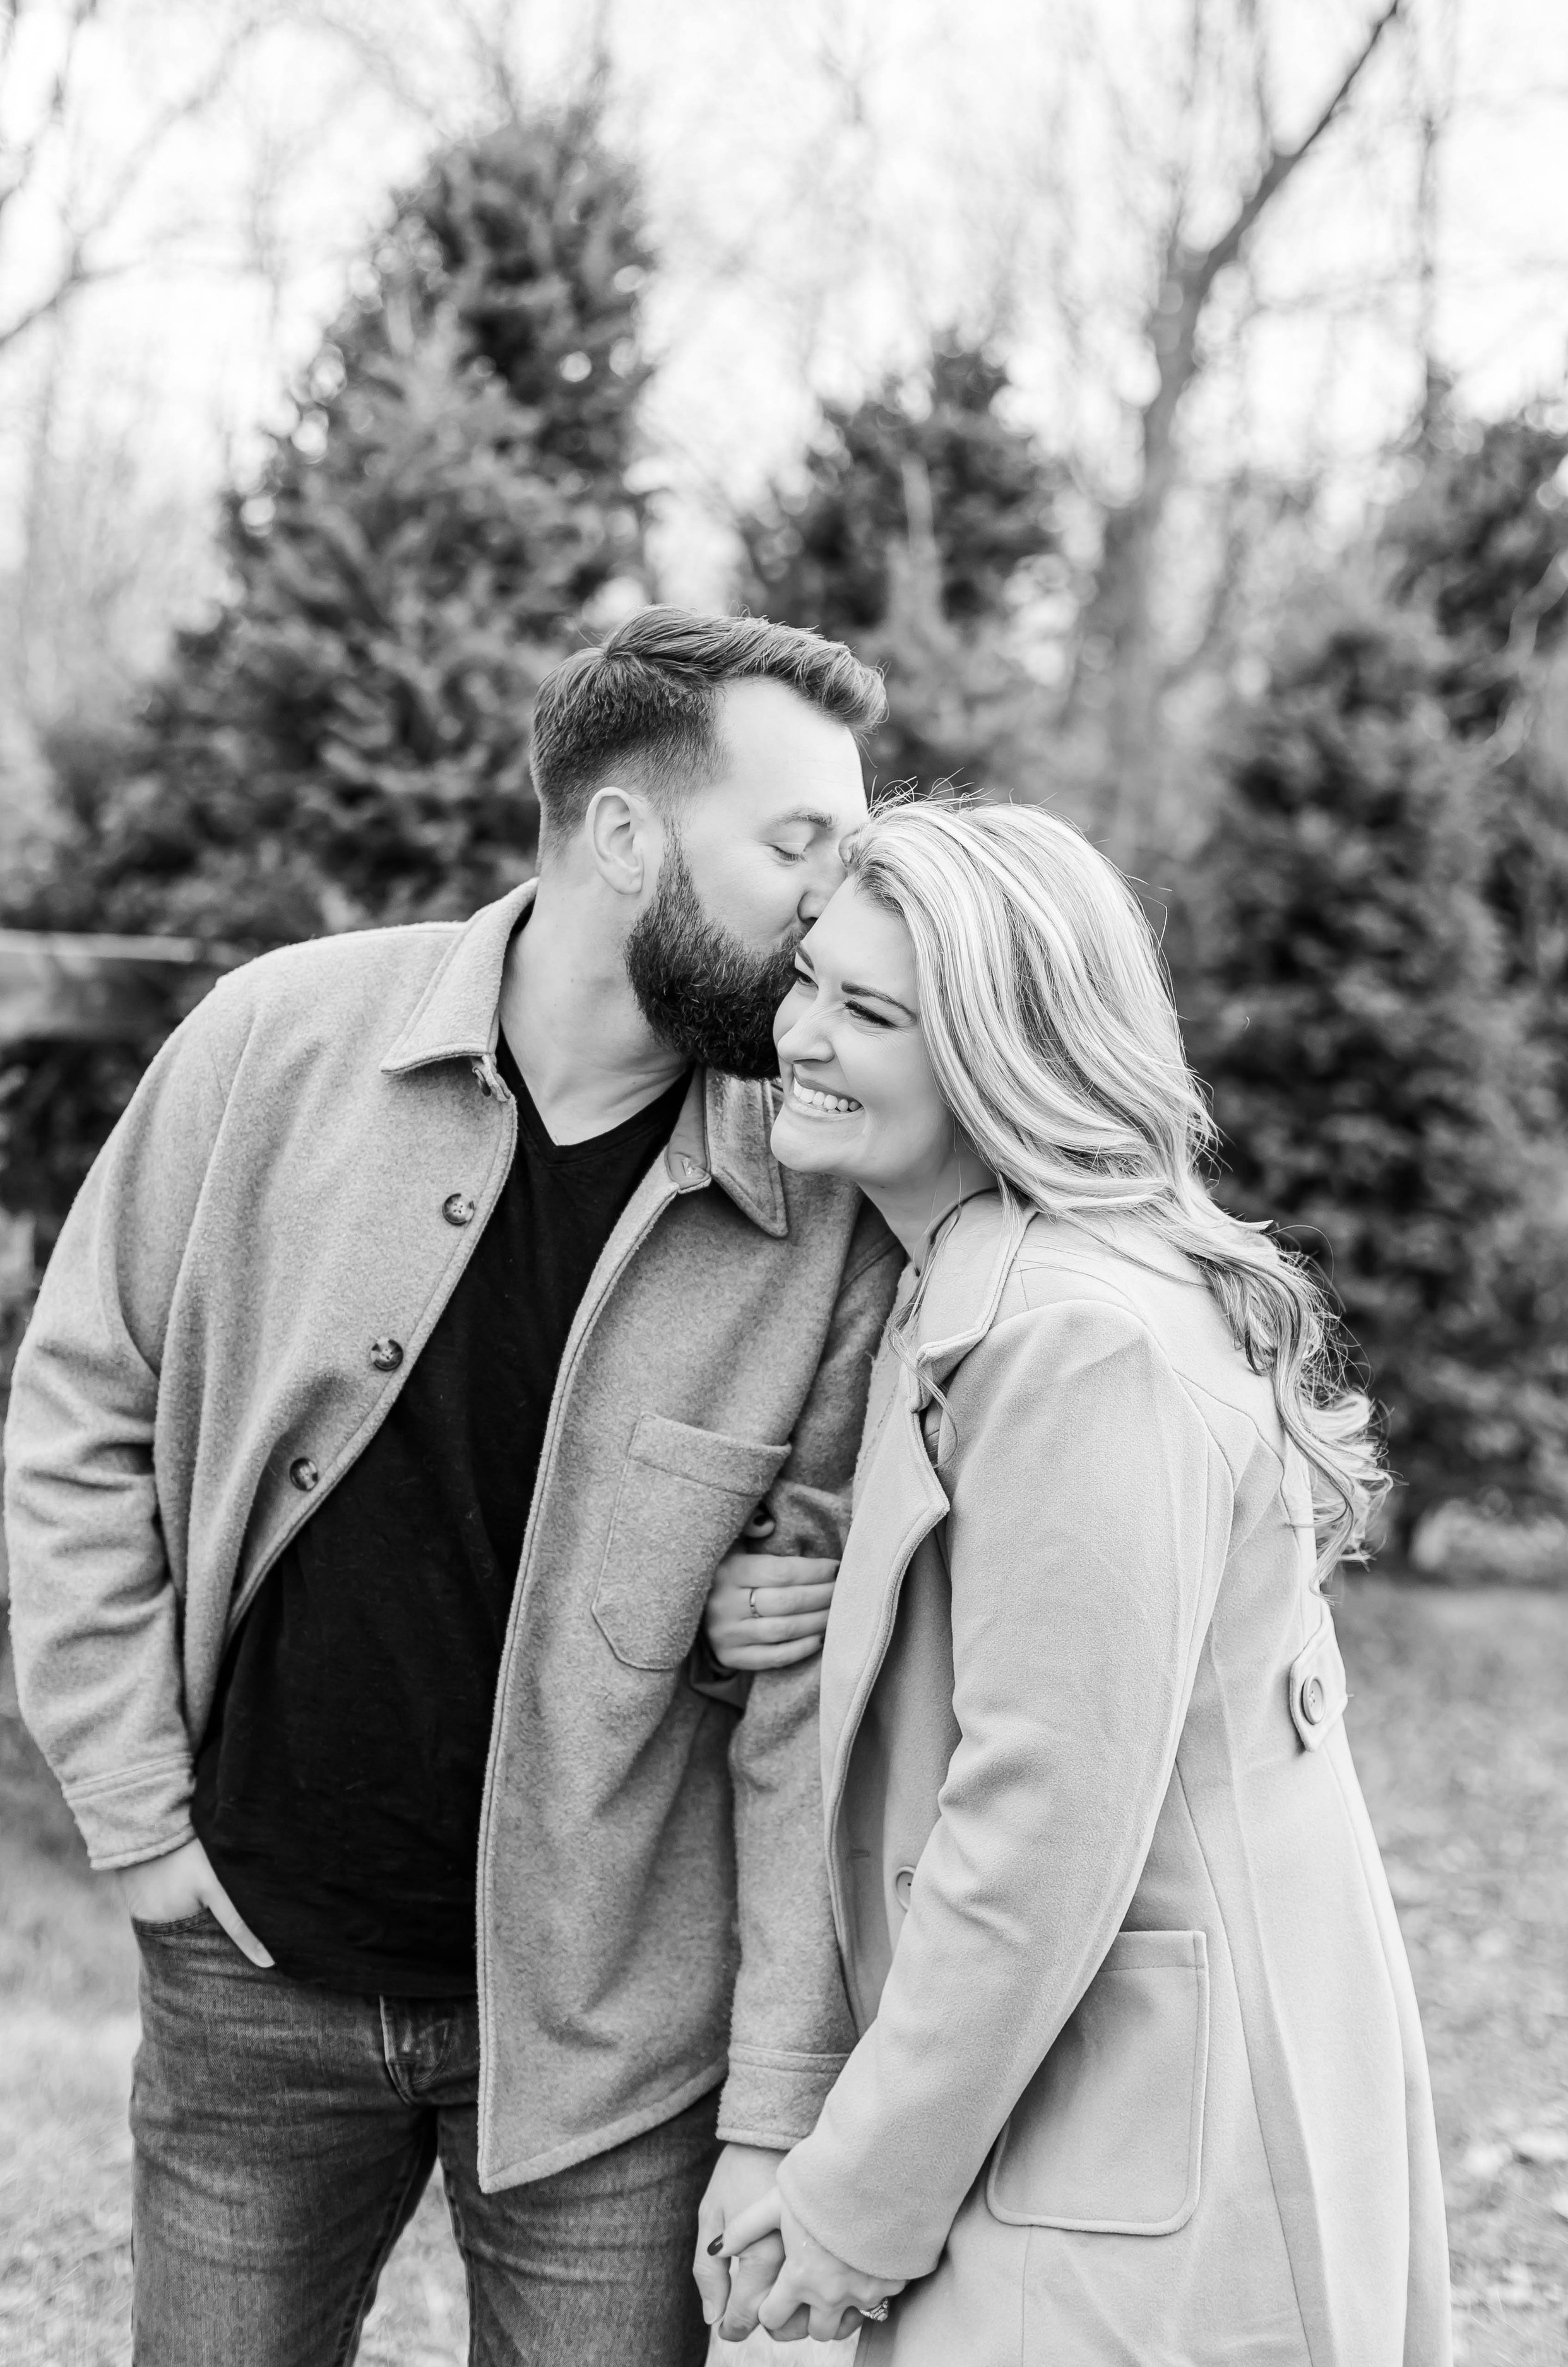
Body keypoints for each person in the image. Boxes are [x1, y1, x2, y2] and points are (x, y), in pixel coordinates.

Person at [3, 607, 905, 2367]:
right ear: (626, 837)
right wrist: (140, 1819)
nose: (829, 903)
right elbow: (79, 1414)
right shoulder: (274, 1041)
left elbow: (798, 1696)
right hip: (249, 1971)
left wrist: (775, 2091)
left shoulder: (822, 1205)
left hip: (614, 2039)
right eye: (796, 844)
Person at [706, 800, 1452, 2364]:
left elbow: (1038, 1832)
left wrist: (849, 2205)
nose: (800, 1036)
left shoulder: (1075, 1333)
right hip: (1094, 2096)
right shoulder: (984, 1281)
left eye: (869, 1011)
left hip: (1142, 2131)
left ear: (999, 1051)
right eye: (807, 983)